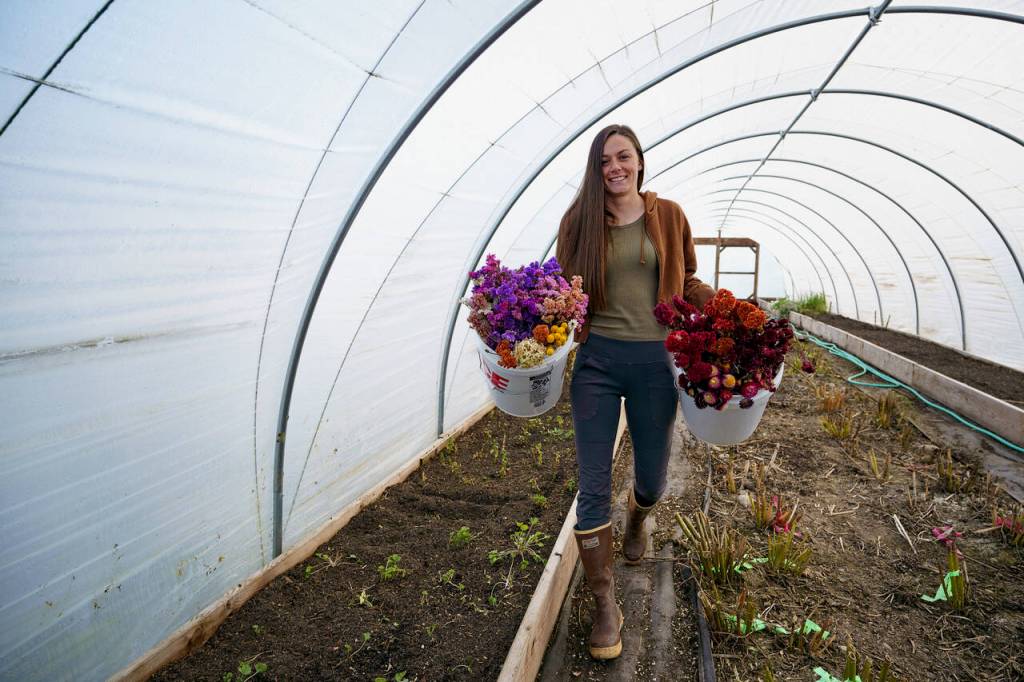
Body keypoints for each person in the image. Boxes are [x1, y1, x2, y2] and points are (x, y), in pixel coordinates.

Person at [556, 124, 714, 659]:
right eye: (604, 161)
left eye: (623, 157)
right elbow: (563, 293)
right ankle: (605, 604)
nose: (615, 167)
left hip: (655, 363)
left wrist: (723, 308)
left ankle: (639, 515)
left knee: (653, 477)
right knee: (591, 484)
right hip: (598, 362)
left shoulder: (667, 214)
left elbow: (686, 279)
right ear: (596, 170)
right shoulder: (579, 223)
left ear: (640, 162)